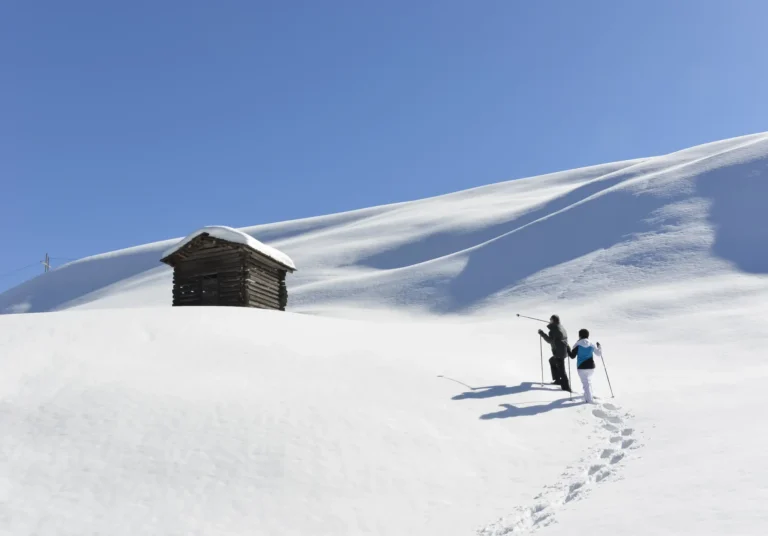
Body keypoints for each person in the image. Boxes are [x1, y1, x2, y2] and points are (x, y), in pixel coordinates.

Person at [538, 314, 571, 392]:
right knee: (552, 361)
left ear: (553, 320)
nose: (549, 320)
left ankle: (566, 388)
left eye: (550, 319)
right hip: (562, 350)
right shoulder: (560, 327)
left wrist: (542, 333)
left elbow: (550, 340)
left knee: (562, 370)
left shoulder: (555, 330)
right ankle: (557, 380)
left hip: (559, 352)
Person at [569, 328, 602, 404]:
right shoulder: (591, 344)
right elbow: (599, 354)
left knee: (585, 383)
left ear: (579, 335)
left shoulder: (577, 344)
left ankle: (589, 400)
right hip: (591, 367)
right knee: (588, 382)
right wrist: (599, 346)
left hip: (581, 367)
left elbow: (572, 356)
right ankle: (589, 395)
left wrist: (567, 349)